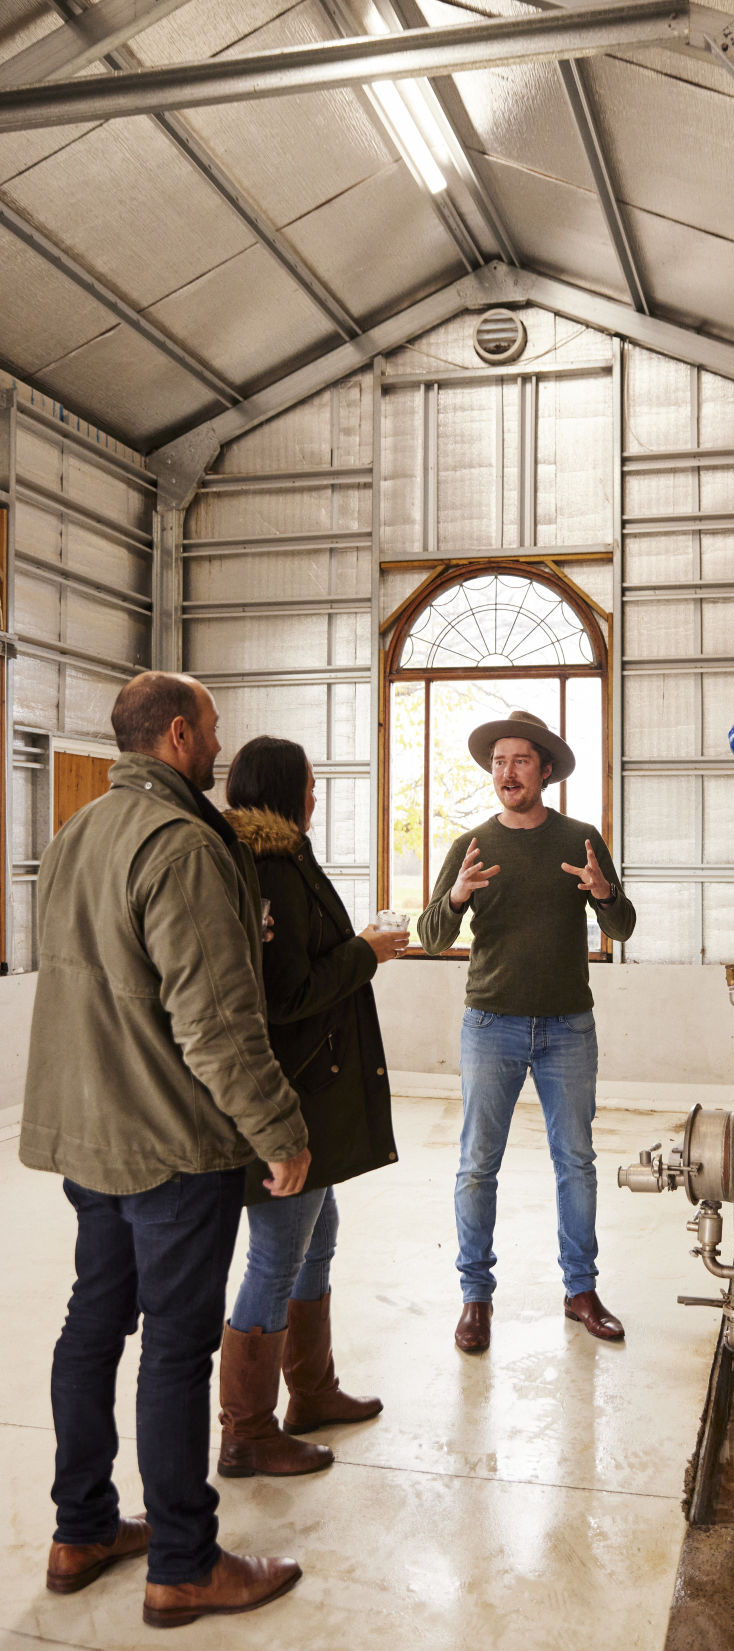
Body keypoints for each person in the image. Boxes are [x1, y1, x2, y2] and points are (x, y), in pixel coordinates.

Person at [19, 671, 311, 1630]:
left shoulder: (74, 835)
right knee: (177, 1351)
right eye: (214, 728)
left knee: (92, 1325)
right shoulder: (182, 845)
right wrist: (279, 1131)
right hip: (170, 1144)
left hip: (87, 1133)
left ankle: (81, 1528)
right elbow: (217, 1024)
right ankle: (184, 1562)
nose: (222, 745)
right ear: (179, 734)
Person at [417, 709, 636, 1354]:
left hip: (568, 1026)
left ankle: (581, 1291)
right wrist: (455, 897)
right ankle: (475, 1299)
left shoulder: (581, 839)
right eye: (497, 762)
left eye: (518, 761)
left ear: (544, 770)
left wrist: (601, 893)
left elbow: (621, 928)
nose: (505, 772)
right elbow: (432, 938)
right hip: (491, 1026)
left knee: (576, 1163)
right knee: (477, 1166)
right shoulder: (473, 845)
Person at [218, 735, 403, 1477]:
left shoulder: (288, 857)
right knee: (276, 1254)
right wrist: (367, 950)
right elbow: (286, 996)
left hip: (312, 1091)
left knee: (317, 1230)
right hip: (289, 1096)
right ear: (285, 791)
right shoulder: (269, 869)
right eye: (311, 785)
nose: (318, 796)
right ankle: (247, 1429)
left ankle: (312, 1390)